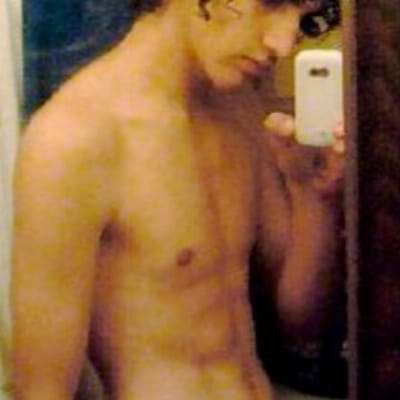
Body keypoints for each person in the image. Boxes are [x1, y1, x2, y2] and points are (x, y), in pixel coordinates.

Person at [11, 0, 345, 399]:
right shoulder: (73, 140)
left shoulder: (238, 108)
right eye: (271, 3)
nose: (285, 42)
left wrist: (313, 194)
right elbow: (41, 390)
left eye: (304, 18)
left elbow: (301, 328)